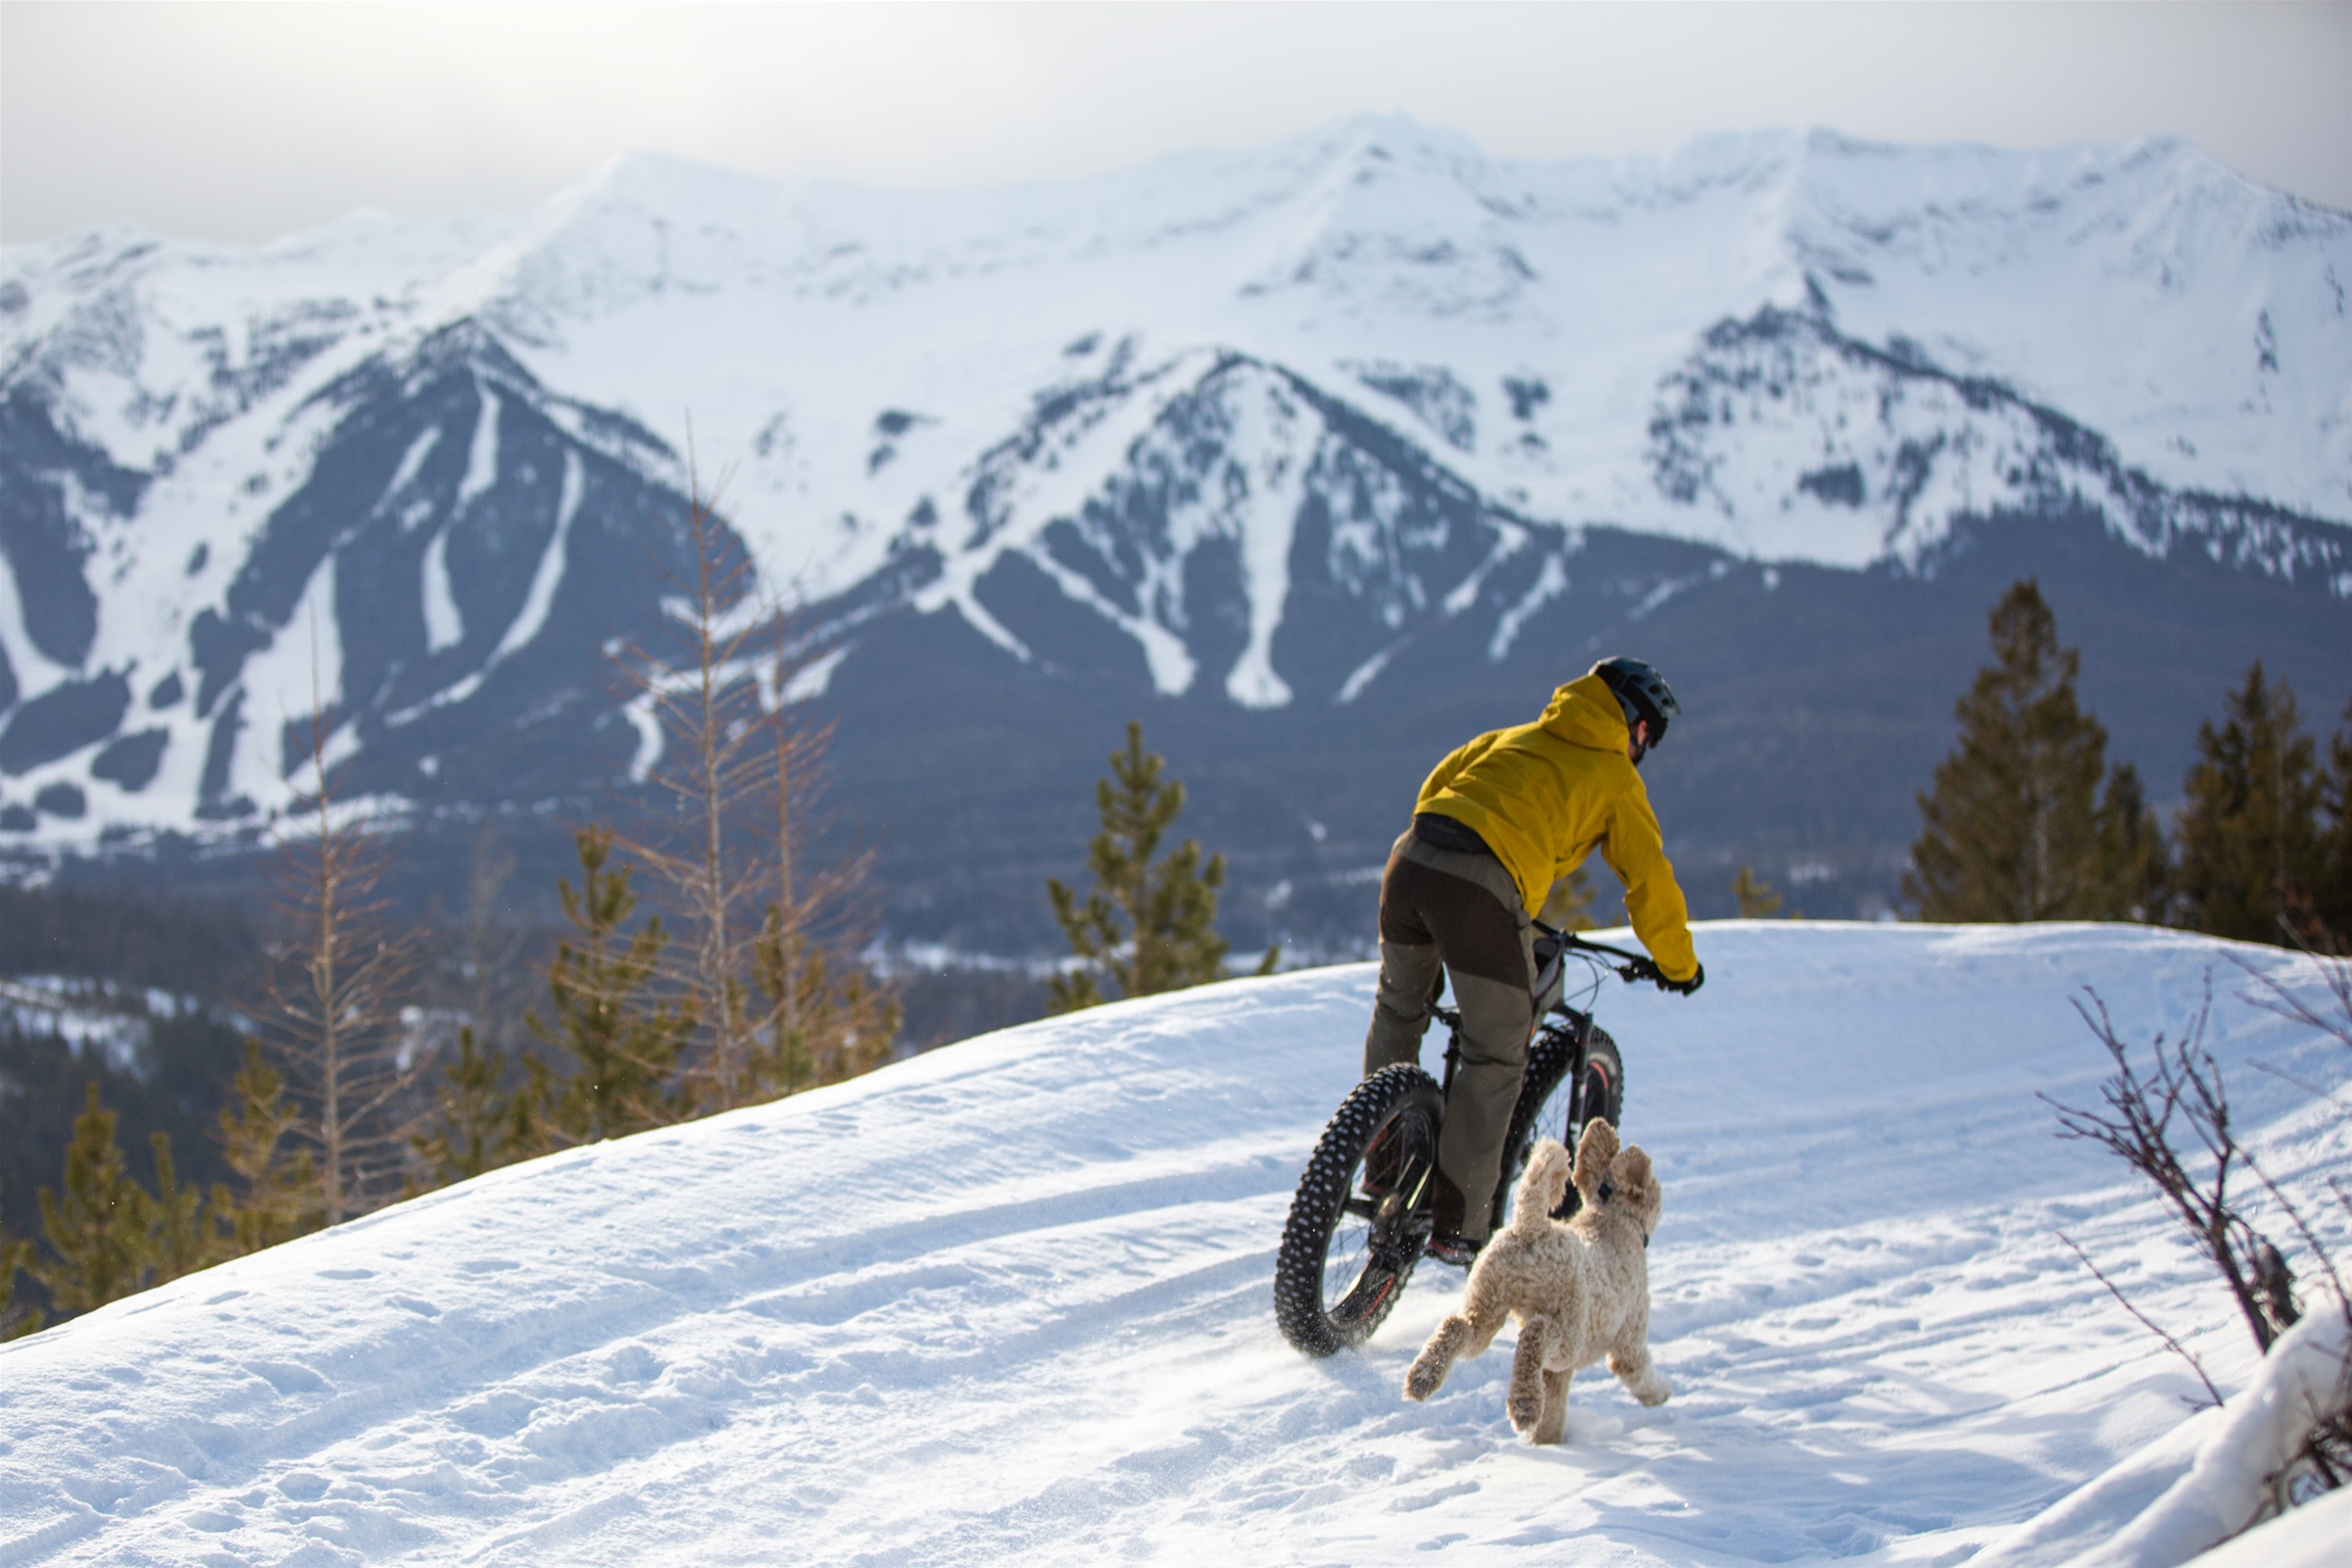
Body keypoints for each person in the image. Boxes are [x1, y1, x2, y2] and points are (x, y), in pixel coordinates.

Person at [1361, 656, 1702, 1266]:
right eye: (1648, 734)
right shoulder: (1616, 777)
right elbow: (1648, 880)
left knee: (1399, 1010)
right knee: (1496, 1051)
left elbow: (1437, 787)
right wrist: (1679, 965)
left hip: (1409, 861)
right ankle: (1458, 1229)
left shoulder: (1514, 737)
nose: (1644, 748)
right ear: (1634, 724)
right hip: (1481, 888)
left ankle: (1382, 1170)